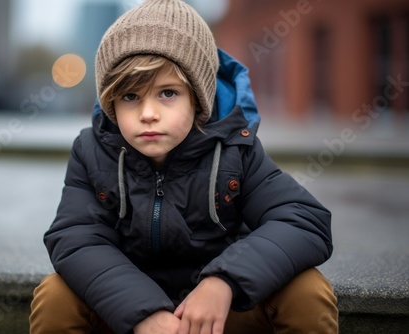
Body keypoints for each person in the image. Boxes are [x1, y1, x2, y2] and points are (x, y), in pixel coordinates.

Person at [29, 0, 339, 333]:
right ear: (111, 103)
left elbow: (305, 221)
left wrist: (224, 282)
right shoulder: (92, 152)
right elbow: (76, 239)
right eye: (130, 97)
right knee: (55, 295)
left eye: (167, 93)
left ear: (198, 98)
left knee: (307, 290)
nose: (148, 113)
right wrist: (142, 311)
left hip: (219, 311)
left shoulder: (236, 150)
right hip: (125, 311)